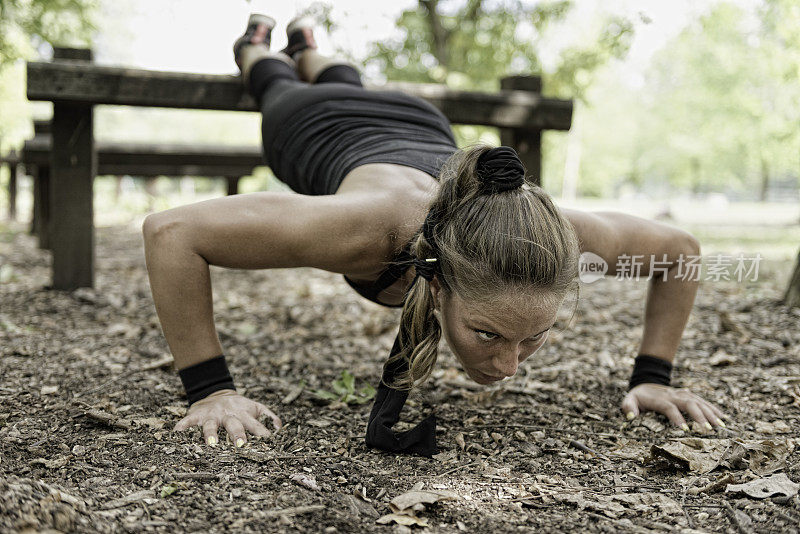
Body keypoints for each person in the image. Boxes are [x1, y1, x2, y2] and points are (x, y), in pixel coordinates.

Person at [142, 14, 725, 453]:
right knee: (277, 85)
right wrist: (210, 389)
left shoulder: (549, 235)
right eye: (489, 333)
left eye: (533, 338)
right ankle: (260, 46)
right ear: (440, 285)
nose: (508, 366)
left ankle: (310, 45)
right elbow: (171, 232)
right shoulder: (365, 232)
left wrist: (654, 377)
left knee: (343, 79)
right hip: (313, 128)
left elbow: (683, 253)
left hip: (416, 115)